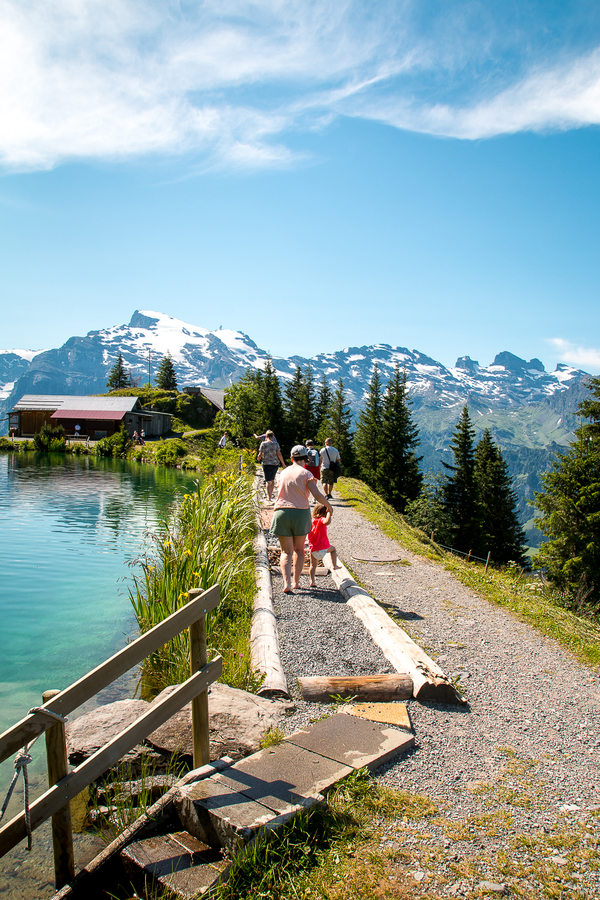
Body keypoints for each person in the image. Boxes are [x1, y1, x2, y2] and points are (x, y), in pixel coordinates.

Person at [270, 445, 332, 593]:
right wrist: (329, 506)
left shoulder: (283, 473)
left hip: (281, 512)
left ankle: (287, 584)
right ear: (306, 459)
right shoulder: (306, 474)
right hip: (300, 513)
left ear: (291, 458)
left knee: (286, 551)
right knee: (299, 550)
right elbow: (316, 494)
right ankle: (296, 582)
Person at [307, 503, 340, 587]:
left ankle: (312, 581)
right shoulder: (321, 520)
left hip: (313, 548)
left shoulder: (311, 521)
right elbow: (327, 522)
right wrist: (329, 513)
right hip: (323, 547)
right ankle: (334, 565)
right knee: (333, 549)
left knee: (313, 565)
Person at [257, 430, 285, 501]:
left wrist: (259, 457)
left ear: (266, 436)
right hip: (275, 464)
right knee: (272, 479)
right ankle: (271, 494)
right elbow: (279, 454)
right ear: (273, 436)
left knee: (268, 480)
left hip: (266, 464)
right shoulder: (276, 444)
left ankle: (269, 497)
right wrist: (283, 464)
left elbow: (260, 454)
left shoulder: (263, 444)